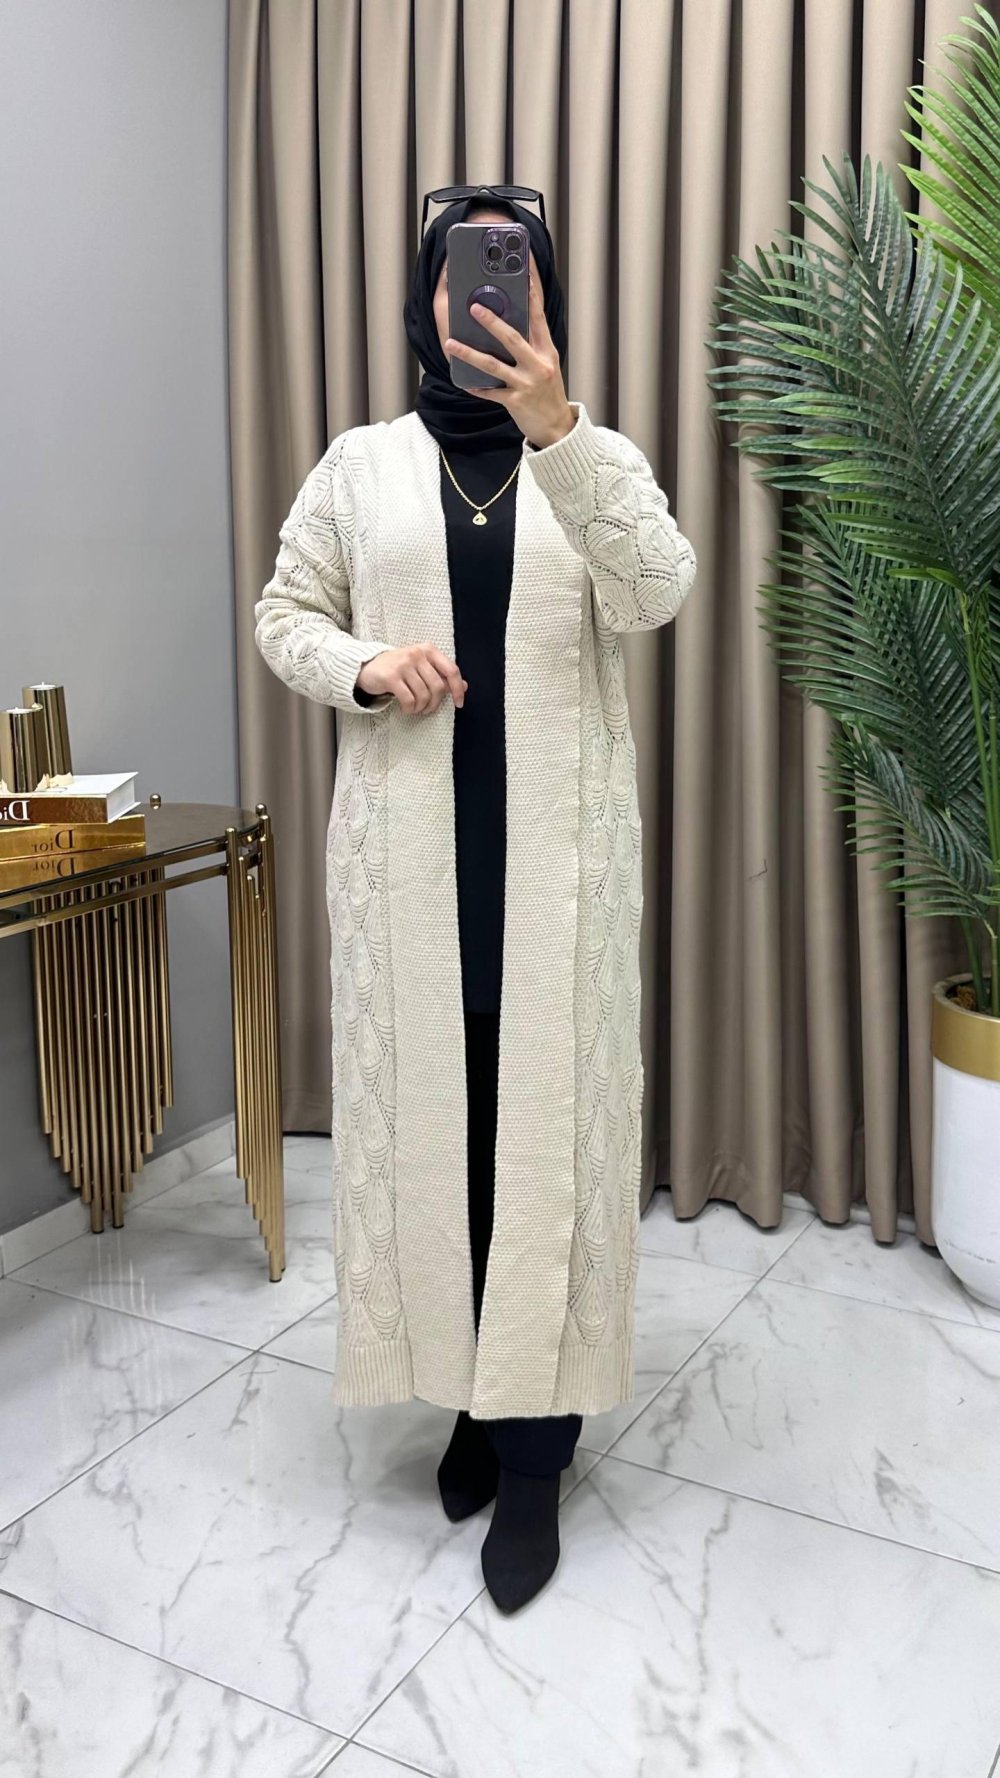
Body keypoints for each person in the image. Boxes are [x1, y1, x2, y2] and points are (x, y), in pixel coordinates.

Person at [254, 187, 698, 1614]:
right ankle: (465, 1393)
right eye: (466, 272)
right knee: (446, 1149)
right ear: (430, 297)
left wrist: (560, 433)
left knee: (543, 1152)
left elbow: (659, 591)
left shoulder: (592, 457)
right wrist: (364, 666)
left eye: (515, 272)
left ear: (544, 298)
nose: (487, 295)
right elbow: (284, 615)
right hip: (412, 877)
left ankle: (534, 1457)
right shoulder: (361, 465)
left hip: (556, 879)